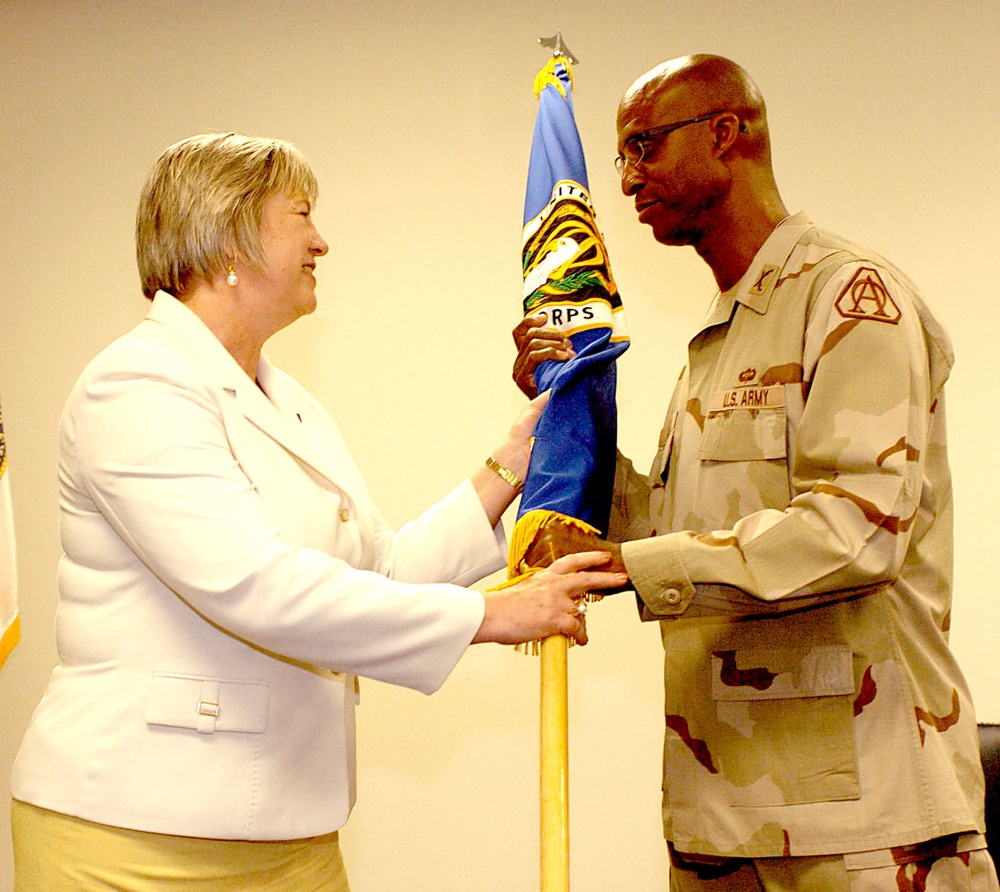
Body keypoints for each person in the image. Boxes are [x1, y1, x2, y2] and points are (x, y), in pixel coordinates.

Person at [10, 132, 627, 891]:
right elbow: (258, 587)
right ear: (229, 233)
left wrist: (510, 466)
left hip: (291, 834)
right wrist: (495, 617)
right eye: (301, 214)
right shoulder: (135, 386)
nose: (321, 241)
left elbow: (380, 568)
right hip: (135, 840)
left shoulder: (289, 401)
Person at [513, 55, 998, 891]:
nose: (626, 179)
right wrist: (569, 419)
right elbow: (674, 529)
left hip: (862, 825)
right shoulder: (721, 336)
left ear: (725, 133)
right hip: (724, 817)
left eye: (644, 147)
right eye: (620, 155)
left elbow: (859, 529)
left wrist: (639, 569)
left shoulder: (846, 299)